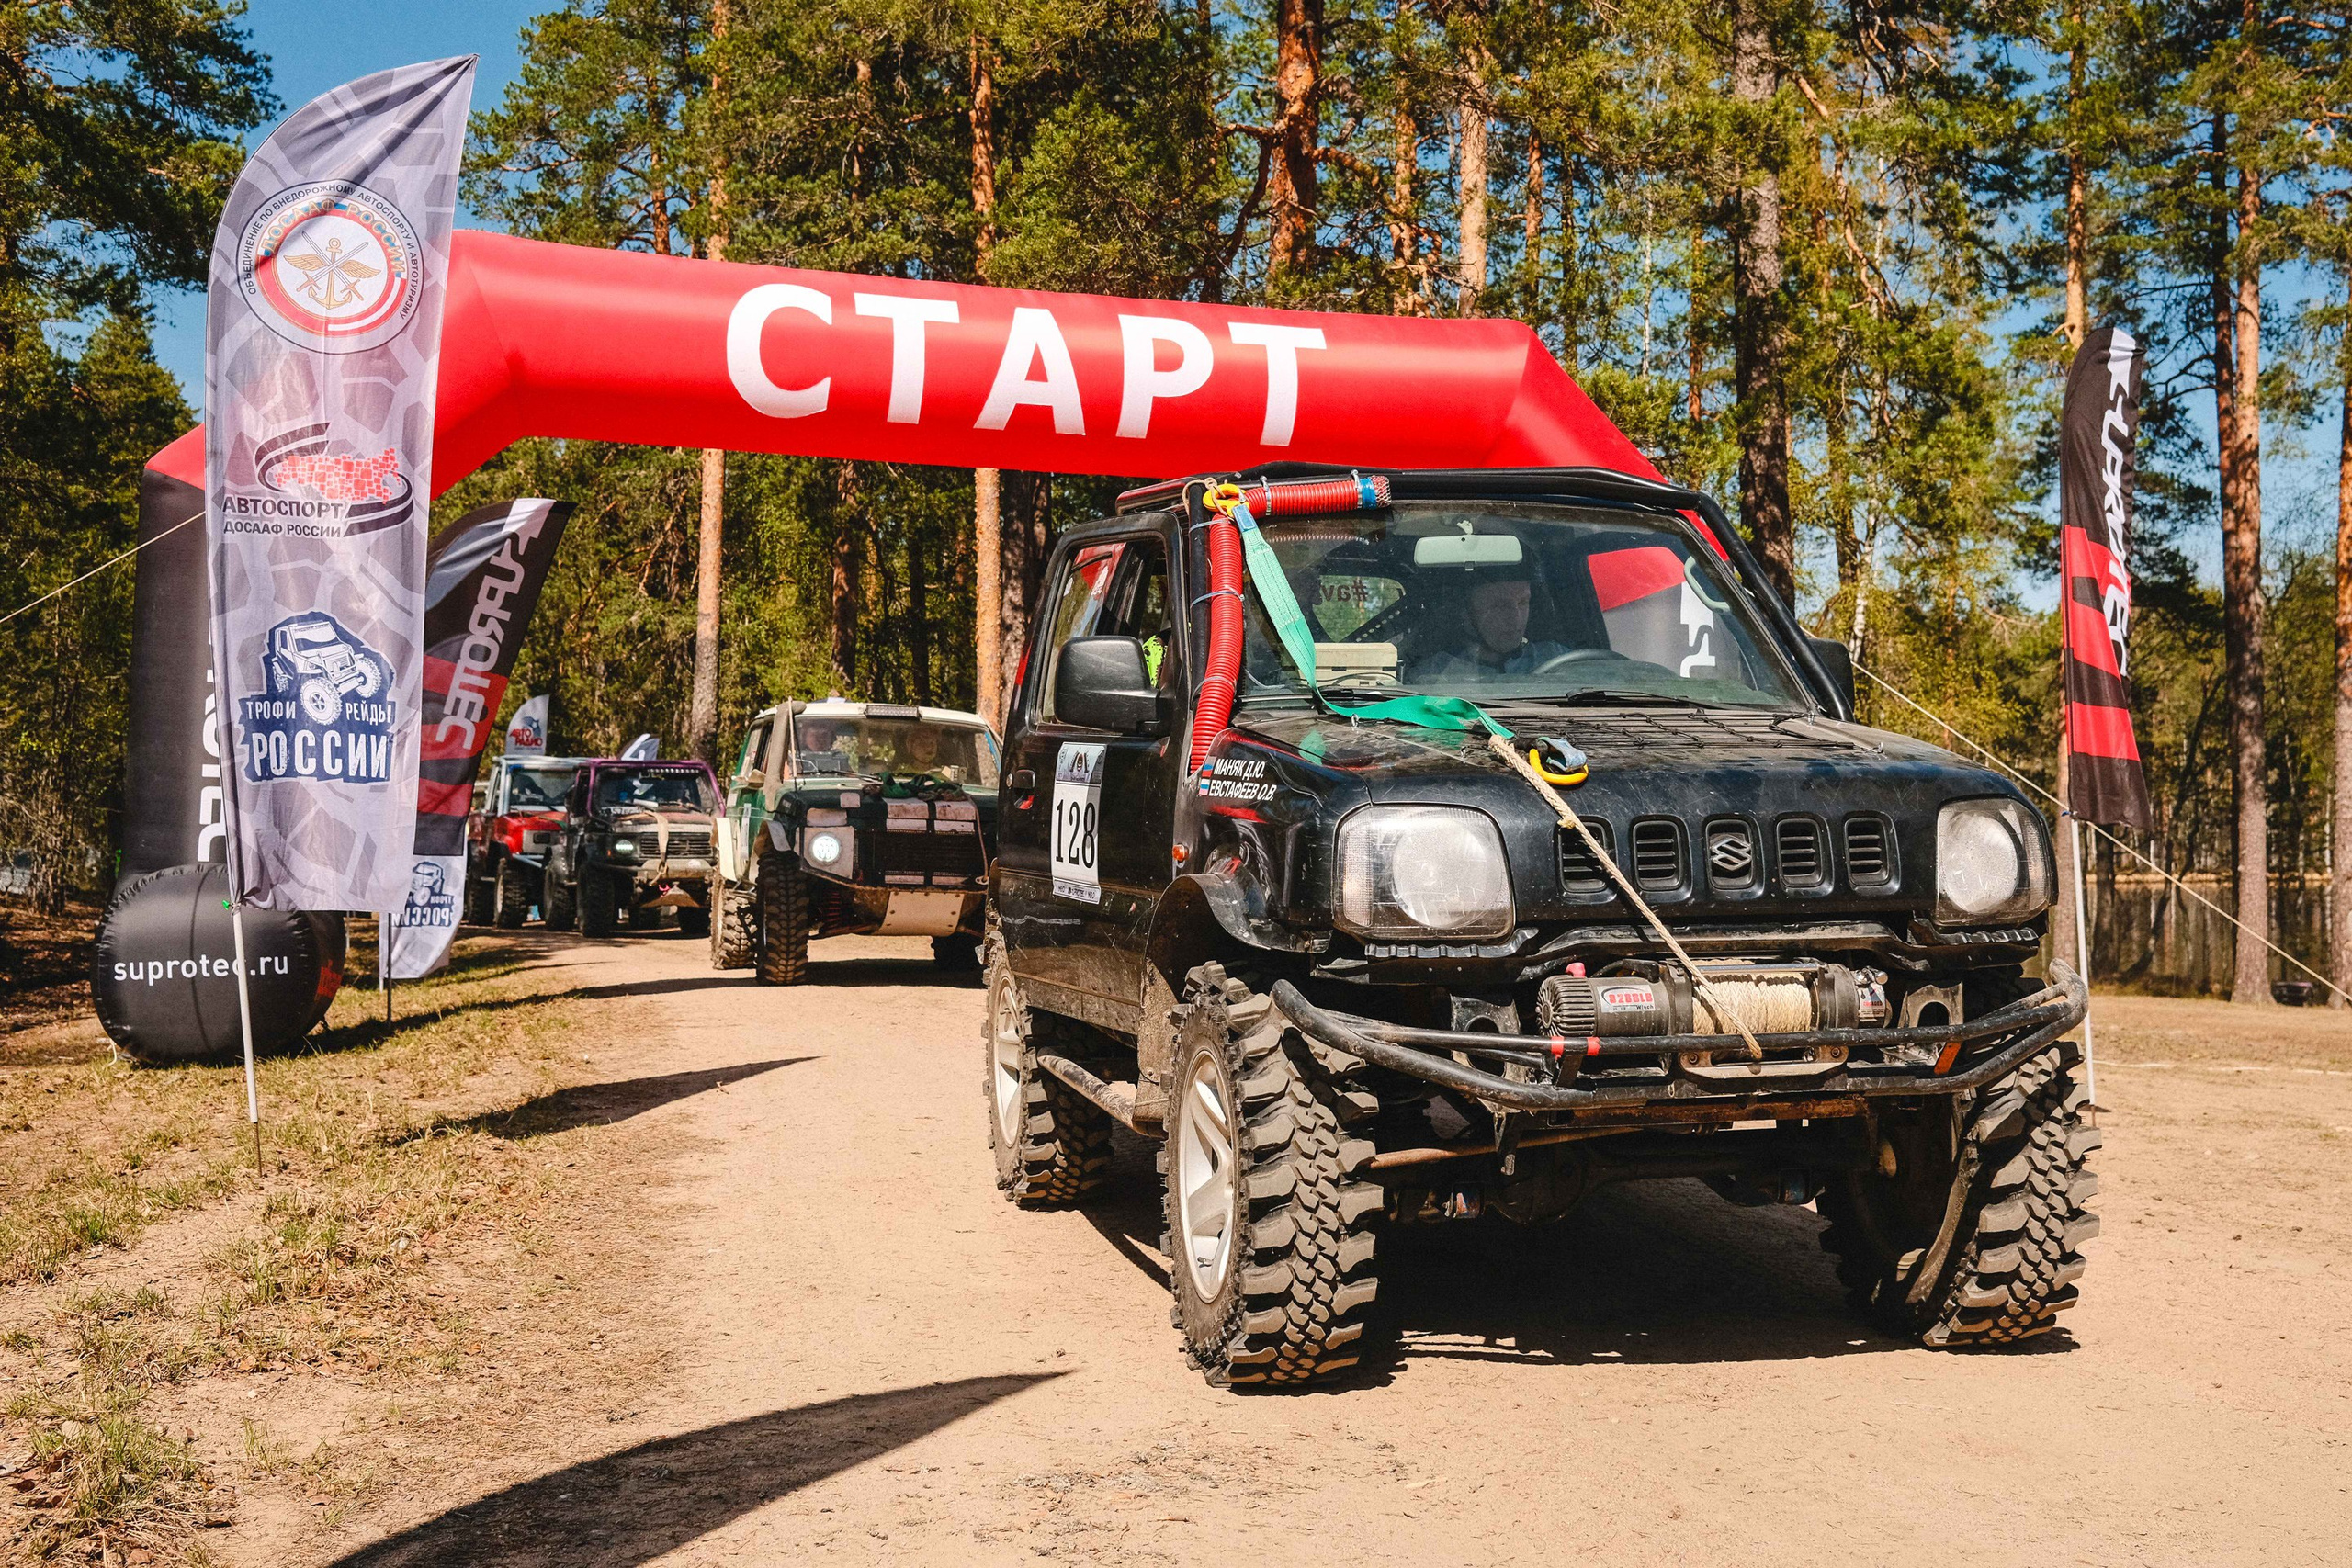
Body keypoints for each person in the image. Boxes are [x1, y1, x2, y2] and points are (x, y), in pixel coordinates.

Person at [1409, 564, 1574, 682]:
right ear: (1466, 613)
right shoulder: (1433, 674)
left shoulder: (1558, 658)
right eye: (1499, 605)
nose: (1515, 617)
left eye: (1523, 602)